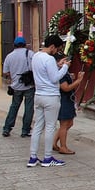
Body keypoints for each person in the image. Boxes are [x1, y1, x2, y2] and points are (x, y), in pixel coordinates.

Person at [28, 34, 69, 167]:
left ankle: (33, 157)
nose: (56, 51)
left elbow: (44, 72)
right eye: (56, 49)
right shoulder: (49, 59)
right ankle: (47, 157)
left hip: (38, 94)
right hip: (51, 96)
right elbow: (54, 78)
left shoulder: (36, 56)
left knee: (38, 127)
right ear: (52, 47)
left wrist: (57, 65)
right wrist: (65, 67)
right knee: (50, 127)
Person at [2, 36, 34, 138]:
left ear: (14, 45)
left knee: (14, 107)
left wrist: (13, 76)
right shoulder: (30, 54)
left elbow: (5, 73)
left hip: (16, 86)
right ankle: (25, 130)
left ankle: (7, 128)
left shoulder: (9, 56)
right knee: (29, 108)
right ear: (25, 44)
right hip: (29, 86)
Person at [54, 53, 84, 155]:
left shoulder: (64, 72)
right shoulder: (60, 74)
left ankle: (54, 143)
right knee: (64, 124)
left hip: (68, 100)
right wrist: (79, 81)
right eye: (63, 61)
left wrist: (72, 78)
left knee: (69, 123)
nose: (66, 63)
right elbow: (65, 88)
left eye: (66, 61)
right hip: (64, 100)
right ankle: (63, 146)